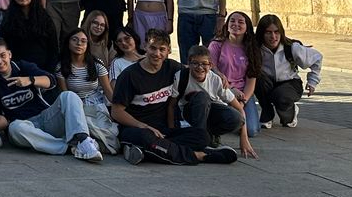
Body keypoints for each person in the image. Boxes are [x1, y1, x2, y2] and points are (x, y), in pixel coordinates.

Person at [109, 28, 238, 166]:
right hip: (137, 128)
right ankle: (199, 155)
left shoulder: (171, 67)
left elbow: (195, 69)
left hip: (165, 130)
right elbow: (116, 112)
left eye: (162, 49)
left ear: (169, 50)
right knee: (146, 138)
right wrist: (143, 126)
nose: (157, 53)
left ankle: (146, 152)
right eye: (153, 48)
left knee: (202, 136)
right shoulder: (130, 76)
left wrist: (217, 74)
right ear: (145, 46)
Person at [0, 39, 102, 161]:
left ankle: (83, 140)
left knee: (69, 95)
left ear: (9, 54)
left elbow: (51, 81)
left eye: (2, 55)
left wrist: (30, 80)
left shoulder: (22, 67)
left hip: (45, 117)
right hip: (24, 127)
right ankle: (68, 147)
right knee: (14, 128)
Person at [173, 45, 256, 158]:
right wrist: (171, 130)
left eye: (204, 64)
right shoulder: (180, 77)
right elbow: (171, 105)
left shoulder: (216, 80)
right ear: (188, 63)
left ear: (211, 65)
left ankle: (210, 134)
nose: (200, 67)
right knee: (202, 97)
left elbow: (239, 108)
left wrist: (244, 138)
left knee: (237, 118)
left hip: (212, 111)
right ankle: (200, 140)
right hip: (191, 112)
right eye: (195, 63)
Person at [56, 27, 119, 154]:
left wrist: (118, 110)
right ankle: (87, 143)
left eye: (83, 41)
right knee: (82, 126)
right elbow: (64, 94)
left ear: (87, 45)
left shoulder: (96, 64)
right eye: (75, 40)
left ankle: (90, 144)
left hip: (96, 104)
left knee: (108, 133)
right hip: (75, 106)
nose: (79, 44)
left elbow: (108, 91)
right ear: (68, 43)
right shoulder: (61, 66)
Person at [256, 14, 322, 129]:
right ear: (262, 34)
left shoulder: (291, 48)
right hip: (268, 83)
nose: (273, 37)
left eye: (276, 32)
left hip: (289, 84)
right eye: (268, 32)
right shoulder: (256, 49)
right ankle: (267, 114)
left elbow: (317, 58)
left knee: (281, 98)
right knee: (257, 79)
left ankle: (290, 113)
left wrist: (312, 81)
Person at [210, 10, 262, 137]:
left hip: (241, 94)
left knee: (252, 131)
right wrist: (231, 89)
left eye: (240, 22)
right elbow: (211, 71)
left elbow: (251, 82)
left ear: (247, 27)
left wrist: (242, 102)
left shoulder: (251, 49)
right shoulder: (216, 45)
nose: (236, 24)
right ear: (227, 25)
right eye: (232, 21)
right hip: (221, 91)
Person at [0, 0, 59, 73]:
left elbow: (53, 47)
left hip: (42, 69)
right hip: (17, 68)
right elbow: (5, 46)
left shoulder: (44, 18)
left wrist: (48, 71)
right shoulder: (8, 18)